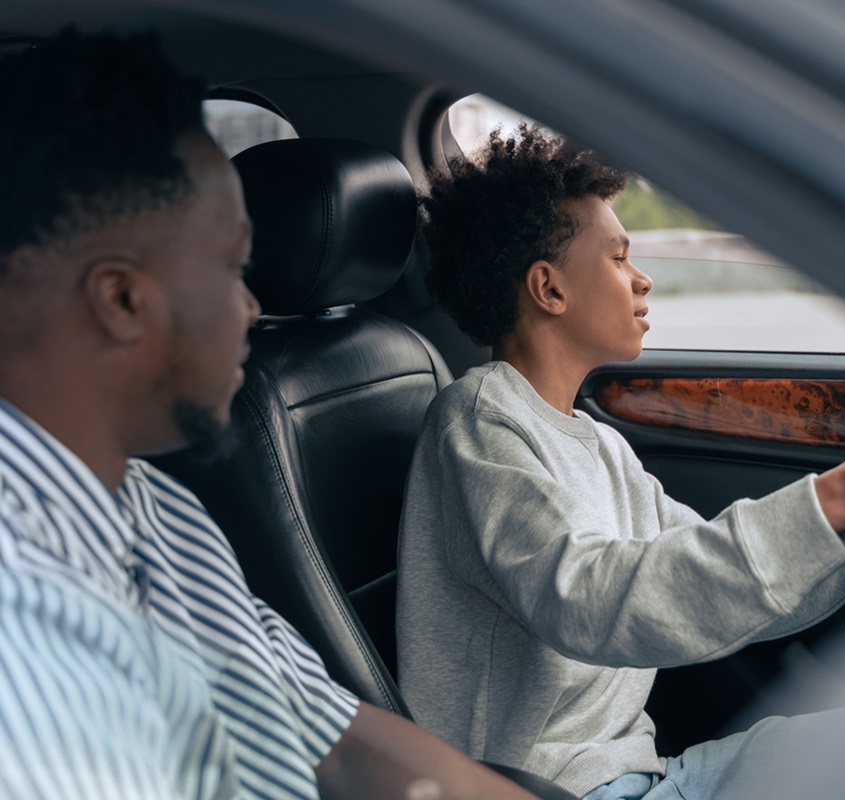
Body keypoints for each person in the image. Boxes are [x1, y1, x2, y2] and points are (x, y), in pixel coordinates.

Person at [0, 29, 540, 800]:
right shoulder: (21, 611)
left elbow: (343, 742)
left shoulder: (156, 509)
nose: (254, 308)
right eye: (231, 266)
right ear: (121, 300)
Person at [395, 125, 845, 799]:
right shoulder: (481, 421)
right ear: (549, 289)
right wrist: (838, 501)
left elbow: (707, 583)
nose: (642, 278)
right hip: (550, 789)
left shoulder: (594, 441)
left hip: (643, 775)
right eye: (619, 258)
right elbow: (591, 599)